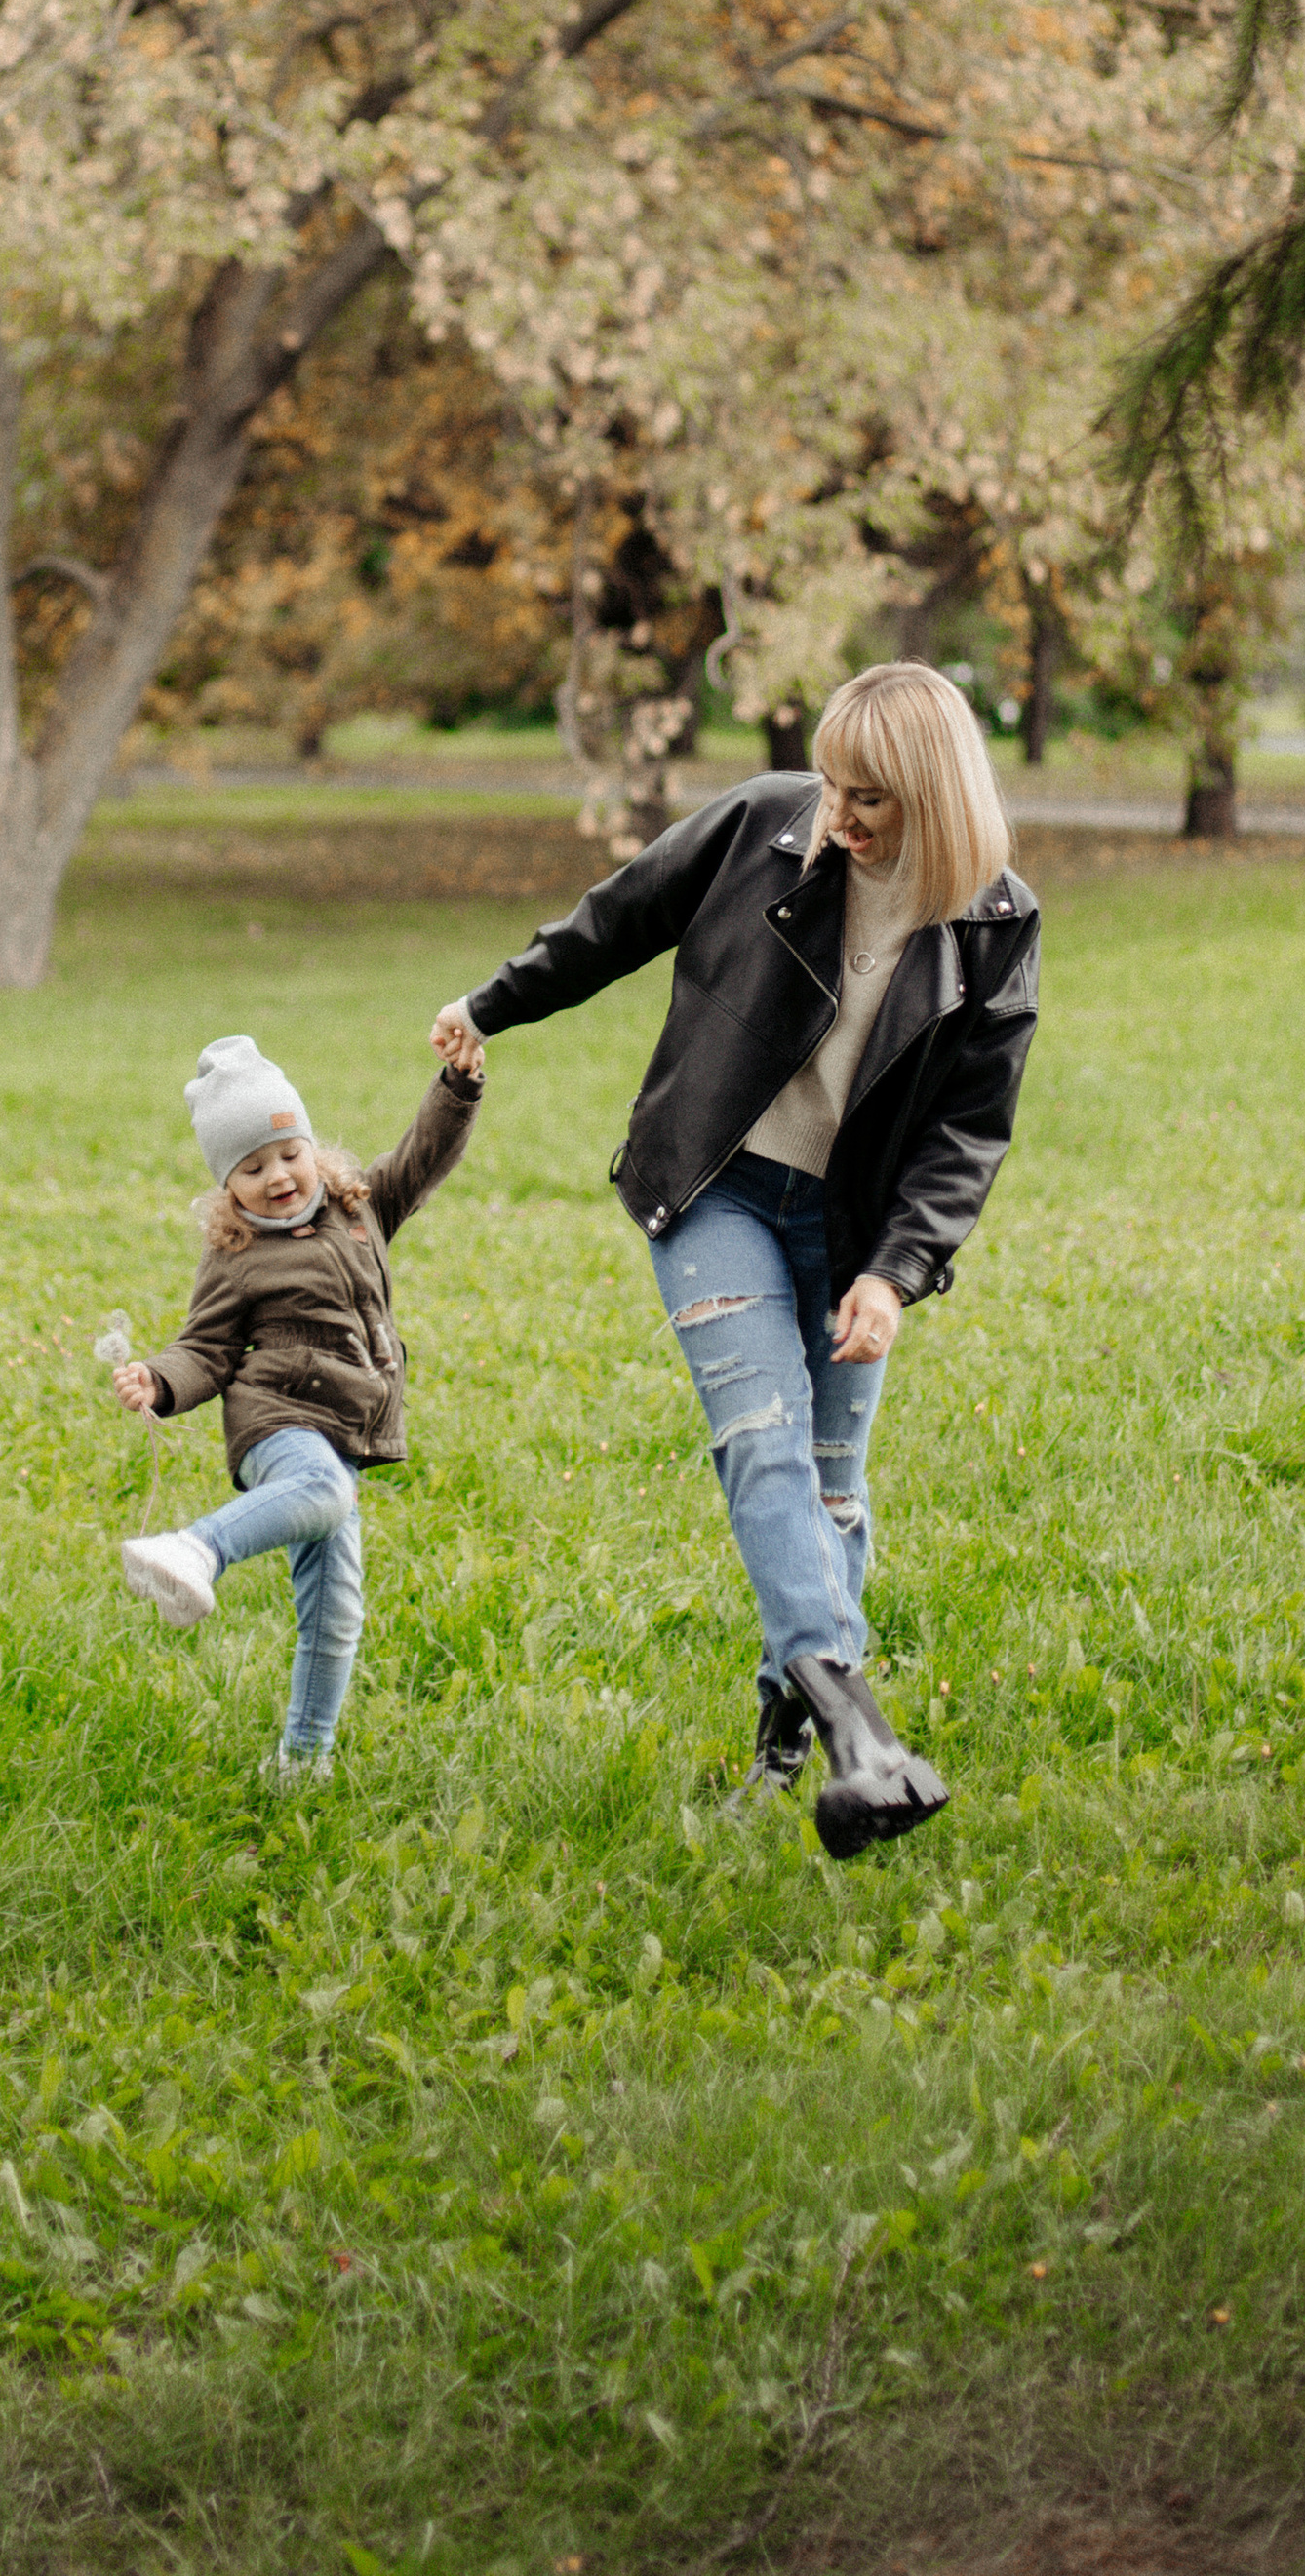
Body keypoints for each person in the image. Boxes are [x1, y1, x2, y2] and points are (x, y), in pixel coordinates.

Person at [430, 661, 1038, 1860]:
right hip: (713, 1188)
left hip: (854, 1230)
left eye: (871, 799)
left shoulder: (995, 922)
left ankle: (786, 1745)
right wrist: (491, 1005)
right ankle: (858, 1732)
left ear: (937, 796)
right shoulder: (761, 828)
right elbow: (616, 919)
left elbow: (969, 1125)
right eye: (831, 784)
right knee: (760, 1435)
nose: (838, 817)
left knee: (828, 1484)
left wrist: (893, 1273)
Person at [112, 1032, 482, 1776]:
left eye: (288, 1153)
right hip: (273, 1424)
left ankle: (301, 1764)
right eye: (251, 1168)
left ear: (311, 1146)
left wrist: (457, 1085)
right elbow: (207, 1349)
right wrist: (159, 1378)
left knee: (336, 1608)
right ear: (228, 1184)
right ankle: (197, 1549)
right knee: (322, 1491)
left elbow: (424, 1153)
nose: (277, 1176)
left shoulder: (361, 1209)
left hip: (341, 1429)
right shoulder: (237, 1254)